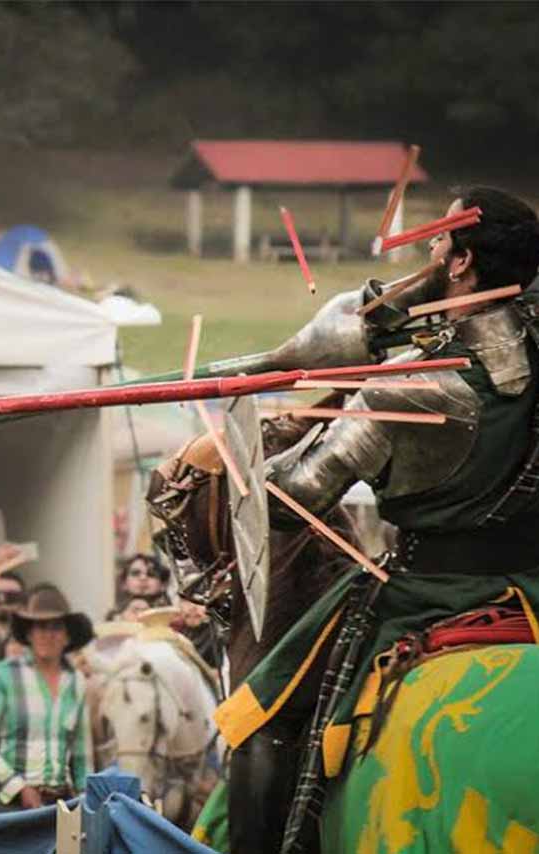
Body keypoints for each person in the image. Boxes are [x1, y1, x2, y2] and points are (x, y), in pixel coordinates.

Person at [218, 187, 539, 851]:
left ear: (462, 261)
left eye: (438, 241)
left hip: (425, 594)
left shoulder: (403, 390)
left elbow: (293, 503)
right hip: (531, 589)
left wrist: (277, 440)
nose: (428, 247)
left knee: (263, 720)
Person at [0, 584, 94, 811]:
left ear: (67, 636)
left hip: (62, 801)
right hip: (12, 803)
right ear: (29, 634)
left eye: (56, 627)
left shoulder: (76, 681)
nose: (48, 635)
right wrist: (19, 787)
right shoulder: (2, 675)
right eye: (40, 627)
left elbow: (81, 754)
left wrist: (86, 799)